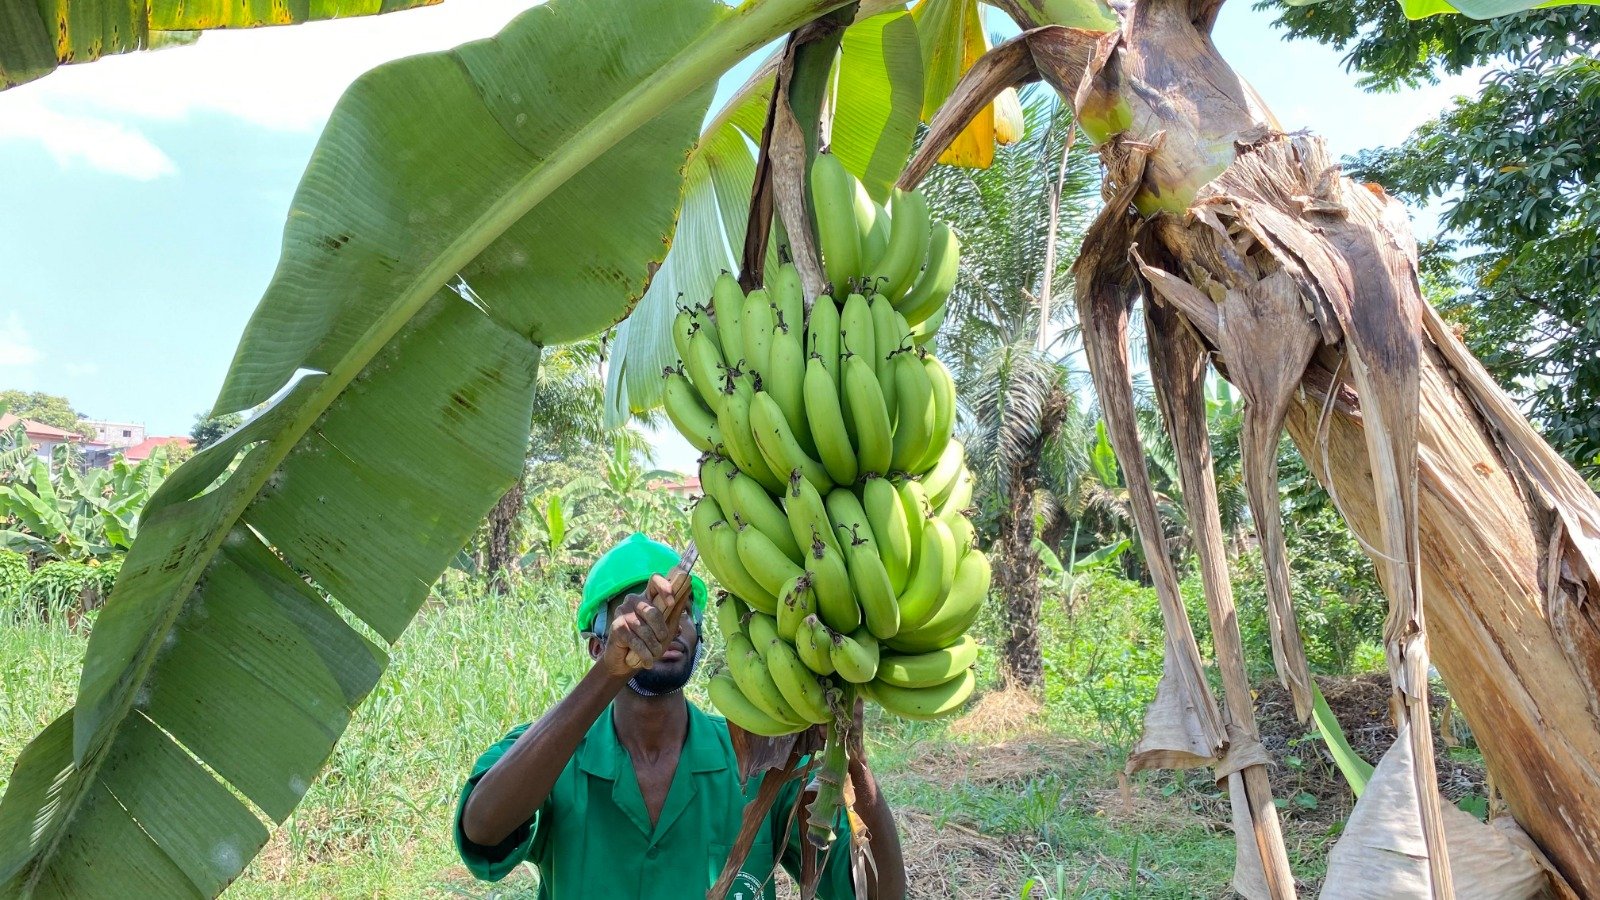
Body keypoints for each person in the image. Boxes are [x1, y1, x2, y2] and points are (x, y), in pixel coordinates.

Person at [454, 532, 906, 899]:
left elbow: (878, 893)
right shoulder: (552, 753)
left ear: (699, 637)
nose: (665, 622)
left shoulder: (760, 760)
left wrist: (854, 760)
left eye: (682, 612)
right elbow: (483, 830)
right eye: (637, 611)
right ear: (596, 645)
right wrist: (610, 673)